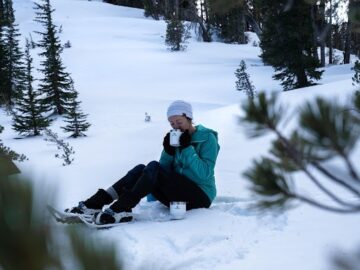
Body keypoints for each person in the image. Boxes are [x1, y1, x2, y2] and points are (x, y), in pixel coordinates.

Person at [66, 100, 220, 224]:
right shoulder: (177, 138)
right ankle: (95, 204)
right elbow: (163, 170)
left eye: (179, 122)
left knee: (153, 166)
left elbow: (204, 175)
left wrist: (186, 148)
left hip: (200, 196)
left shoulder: (207, 138)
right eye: (172, 124)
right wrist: (168, 150)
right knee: (141, 168)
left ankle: (122, 208)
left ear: (189, 118)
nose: (175, 127)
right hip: (177, 196)